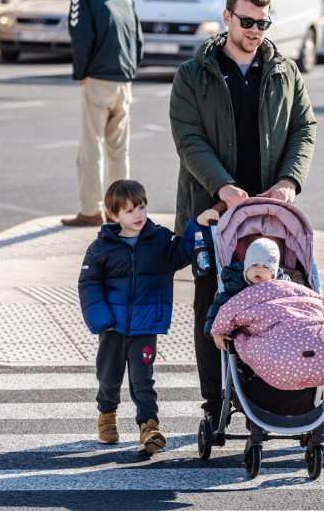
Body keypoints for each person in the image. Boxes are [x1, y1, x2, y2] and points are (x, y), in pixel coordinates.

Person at [168, 0, 317, 426]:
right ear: (227, 17)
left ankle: (266, 398)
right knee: (211, 306)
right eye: (247, 21)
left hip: (271, 216)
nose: (255, 30)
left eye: (263, 23)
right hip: (214, 213)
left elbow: (304, 130)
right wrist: (224, 187)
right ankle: (216, 403)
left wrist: (290, 180)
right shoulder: (194, 74)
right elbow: (188, 138)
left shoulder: (286, 71)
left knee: (275, 307)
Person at [78, 179, 219, 454]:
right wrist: (100, 319)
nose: (139, 215)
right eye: (130, 210)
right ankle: (107, 414)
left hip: (145, 327)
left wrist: (197, 224)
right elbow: (89, 284)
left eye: (142, 207)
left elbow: (183, 252)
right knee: (109, 378)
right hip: (112, 329)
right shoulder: (101, 248)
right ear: (114, 215)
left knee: (143, 380)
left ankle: (149, 427)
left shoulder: (160, 240)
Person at [206, 238, 324, 415]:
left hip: (291, 334)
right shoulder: (235, 289)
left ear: (273, 273)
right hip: (266, 338)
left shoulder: (287, 286)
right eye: (254, 264)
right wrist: (216, 332)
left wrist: (321, 306)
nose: (259, 269)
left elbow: (306, 297)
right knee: (260, 345)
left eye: (265, 266)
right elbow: (223, 311)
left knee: (315, 338)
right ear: (245, 268)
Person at [63, 0, 143, 227]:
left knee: (91, 147)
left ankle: (90, 210)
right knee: (119, 150)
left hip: (97, 78)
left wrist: (80, 72)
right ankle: (123, 212)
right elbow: (137, 36)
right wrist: (131, 70)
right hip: (124, 80)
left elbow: (80, 36)